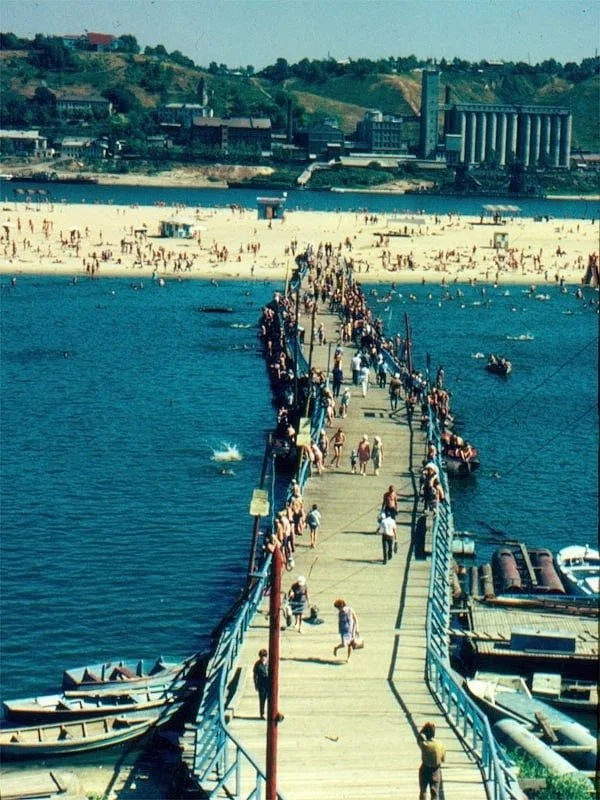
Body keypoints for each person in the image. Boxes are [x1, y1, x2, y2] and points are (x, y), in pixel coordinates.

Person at [417, 721, 446, 800]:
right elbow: (443, 759)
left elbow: (418, 739)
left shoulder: (424, 744)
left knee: (423, 792)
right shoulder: (440, 744)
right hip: (436, 770)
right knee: (435, 794)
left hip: (425, 769)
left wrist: (422, 731)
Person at [333, 598, 358, 662]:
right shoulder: (340, 613)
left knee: (350, 644)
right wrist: (340, 631)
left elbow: (355, 619)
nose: (338, 609)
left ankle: (348, 658)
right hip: (343, 630)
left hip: (351, 629)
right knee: (344, 644)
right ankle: (336, 648)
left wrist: (357, 629)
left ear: (341, 605)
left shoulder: (350, 609)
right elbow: (339, 622)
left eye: (338, 607)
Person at [253, 649, 270, 719]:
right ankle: (262, 713)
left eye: (264, 656)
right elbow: (255, 675)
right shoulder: (257, 664)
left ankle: (270, 712)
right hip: (261, 683)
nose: (263, 658)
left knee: (270, 699)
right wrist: (256, 684)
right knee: (262, 699)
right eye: (262, 656)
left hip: (268, 682)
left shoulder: (269, 663)